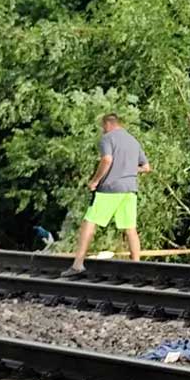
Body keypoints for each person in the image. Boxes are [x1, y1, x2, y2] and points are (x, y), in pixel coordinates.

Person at [61, 114, 151, 277]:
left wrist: (95, 181)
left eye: (103, 127)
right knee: (130, 228)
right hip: (130, 190)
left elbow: (107, 160)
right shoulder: (133, 141)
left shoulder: (107, 139)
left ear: (108, 124)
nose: (102, 130)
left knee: (89, 222)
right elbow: (146, 167)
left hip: (110, 188)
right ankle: (137, 266)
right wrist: (128, 169)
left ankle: (78, 264)